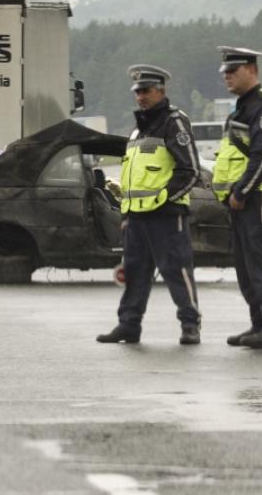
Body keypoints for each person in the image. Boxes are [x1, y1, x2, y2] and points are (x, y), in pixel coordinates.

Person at [96, 64, 202, 345]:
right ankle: (128, 325)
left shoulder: (174, 122)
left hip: (166, 214)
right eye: (137, 92)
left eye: (145, 91)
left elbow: (190, 170)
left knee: (177, 270)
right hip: (137, 217)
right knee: (134, 272)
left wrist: (165, 197)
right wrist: (127, 212)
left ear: (160, 91)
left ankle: (190, 325)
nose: (140, 97)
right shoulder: (137, 130)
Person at [212, 47, 262, 349]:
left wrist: (242, 190)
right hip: (239, 201)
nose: (227, 77)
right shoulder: (243, 107)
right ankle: (259, 324)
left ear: (252, 71)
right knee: (246, 268)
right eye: (225, 73)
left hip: (257, 197)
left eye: (233, 71)